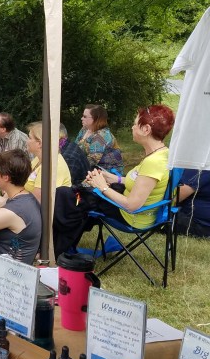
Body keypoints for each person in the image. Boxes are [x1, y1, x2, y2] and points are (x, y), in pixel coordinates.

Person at [54, 105, 176, 255]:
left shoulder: (153, 162)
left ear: (146, 129)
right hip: (134, 209)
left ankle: (58, 248)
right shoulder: (162, 153)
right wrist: (112, 178)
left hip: (131, 216)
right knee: (79, 196)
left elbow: (131, 205)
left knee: (71, 198)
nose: (132, 127)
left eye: (135, 124)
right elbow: (142, 183)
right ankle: (65, 246)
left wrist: (103, 187)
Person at [75, 104, 124, 173]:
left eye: (85, 116)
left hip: (108, 171)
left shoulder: (102, 136)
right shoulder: (85, 129)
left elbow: (91, 161)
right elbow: (75, 148)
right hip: (91, 168)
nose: (81, 118)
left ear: (96, 119)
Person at [175, 169, 210, 238]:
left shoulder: (201, 168)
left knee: (159, 219)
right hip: (204, 222)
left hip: (200, 224)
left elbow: (175, 197)